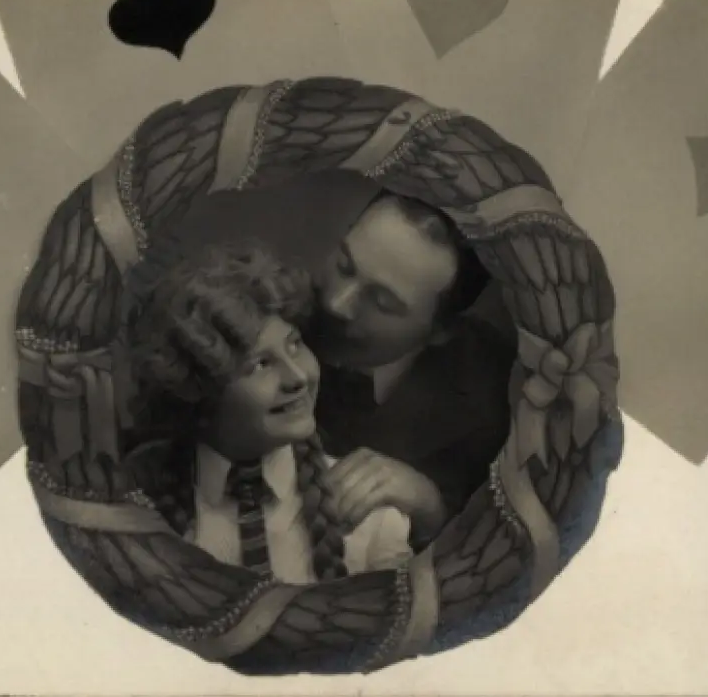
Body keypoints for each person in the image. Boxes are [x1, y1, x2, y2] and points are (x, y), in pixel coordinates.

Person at [121, 242, 414, 583]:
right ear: (197, 387)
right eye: (261, 364)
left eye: (295, 344)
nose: (298, 376)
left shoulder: (371, 515)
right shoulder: (136, 510)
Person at [307, 190, 517, 549]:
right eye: (344, 266)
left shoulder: (492, 392)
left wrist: (430, 507)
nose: (336, 303)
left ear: (441, 331)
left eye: (382, 302)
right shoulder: (271, 308)